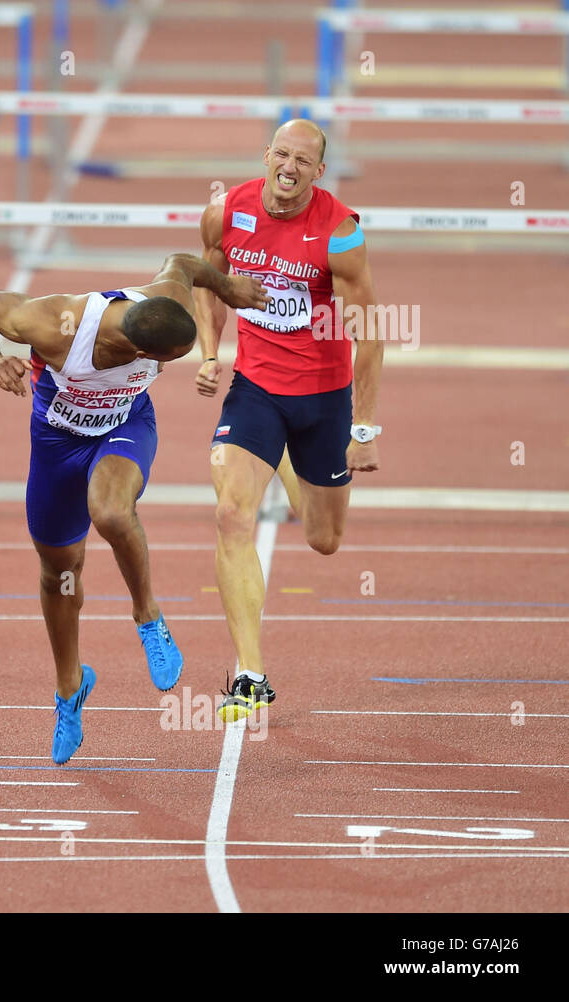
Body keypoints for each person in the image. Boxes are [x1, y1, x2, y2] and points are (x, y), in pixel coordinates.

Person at [0, 255, 268, 763]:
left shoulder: (166, 298)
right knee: (59, 571)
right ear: (136, 348)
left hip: (125, 426)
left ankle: (148, 617)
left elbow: (183, 264)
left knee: (110, 511)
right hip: (57, 443)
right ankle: (70, 688)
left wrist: (229, 288)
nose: (164, 369)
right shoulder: (55, 322)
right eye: (161, 361)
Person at [193, 119, 384, 723]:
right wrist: (209, 353)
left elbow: (370, 333)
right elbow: (206, 279)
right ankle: (250, 676)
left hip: (323, 398)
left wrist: (363, 428)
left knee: (324, 540)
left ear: (318, 172)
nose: (289, 167)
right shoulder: (226, 211)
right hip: (255, 390)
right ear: (266, 156)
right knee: (231, 514)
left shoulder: (340, 233)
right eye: (282, 154)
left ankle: (282, 455)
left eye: (303, 160)